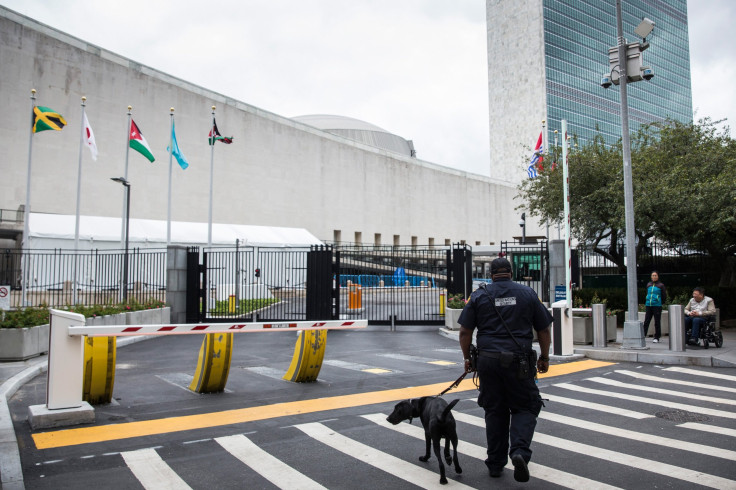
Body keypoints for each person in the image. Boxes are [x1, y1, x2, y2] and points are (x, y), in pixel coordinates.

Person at [458, 257, 552, 483]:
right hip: (519, 361)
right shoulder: (528, 294)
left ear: (491, 274)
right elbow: (544, 329)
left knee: (495, 410)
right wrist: (545, 357)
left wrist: (467, 358)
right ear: (511, 272)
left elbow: (464, 332)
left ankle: (495, 463)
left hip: (488, 361)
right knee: (526, 405)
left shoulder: (479, 295)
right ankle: (519, 451)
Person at [642, 271, 666, 343]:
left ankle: (657, 337)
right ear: (651, 276)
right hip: (648, 305)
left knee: (657, 321)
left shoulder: (661, 285)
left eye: (655, 275)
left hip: (657, 306)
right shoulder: (649, 284)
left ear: (658, 276)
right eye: (653, 275)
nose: (654, 277)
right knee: (646, 321)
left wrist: (661, 302)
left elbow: (664, 295)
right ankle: (643, 335)